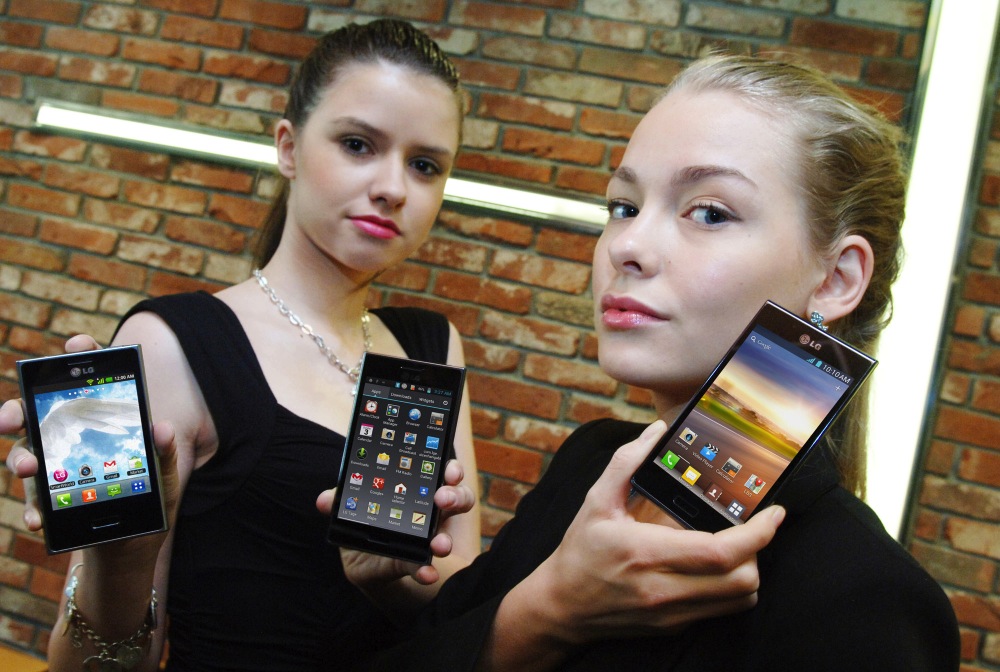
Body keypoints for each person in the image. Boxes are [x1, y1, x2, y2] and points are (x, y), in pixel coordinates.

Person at [341, 54, 960, 671]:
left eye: (709, 212)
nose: (628, 246)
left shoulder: (869, 600)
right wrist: (409, 591)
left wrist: (552, 612)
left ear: (836, 279)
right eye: (624, 207)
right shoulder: (589, 463)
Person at [2, 19, 481, 672]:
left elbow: (462, 615)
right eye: (357, 144)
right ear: (288, 147)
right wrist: (120, 563)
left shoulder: (432, 348)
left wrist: (389, 580)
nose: (393, 187)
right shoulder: (175, 343)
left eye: (424, 165)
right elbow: (95, 663)